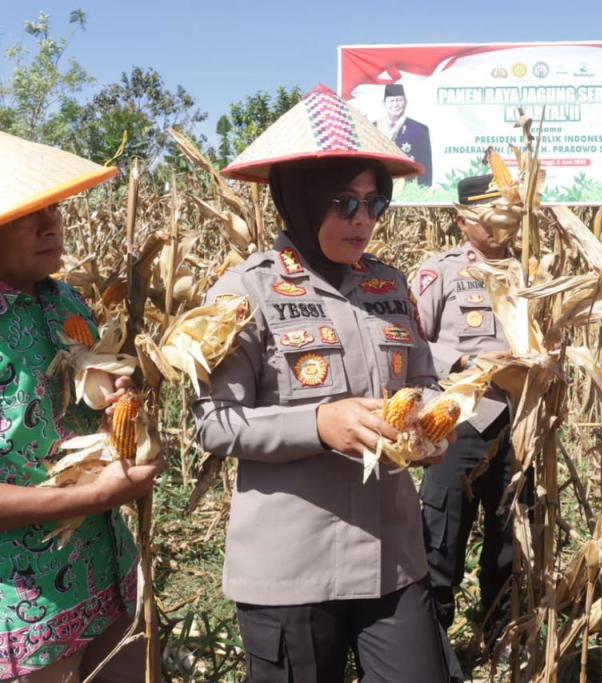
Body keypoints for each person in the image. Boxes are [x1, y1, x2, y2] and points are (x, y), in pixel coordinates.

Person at [194, 85, 460, 683]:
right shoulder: (244, 294)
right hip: (293, 568)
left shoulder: (390, 286)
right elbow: (213, 420)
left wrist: (435, 419)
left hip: (394, 559)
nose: (363, 219)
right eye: (345, 202)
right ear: (302, 199)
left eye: (375, 204)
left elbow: (421, 380)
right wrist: (319, 424)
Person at [0, 132, 162, 682]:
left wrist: (113, 403)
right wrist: (96, 493)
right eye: (29, 215)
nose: (53, 225)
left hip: (107, 572)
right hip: (23, 611)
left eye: (55, 210)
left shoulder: (64, 299)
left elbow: (80, 400)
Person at [414, 170, 519, 647]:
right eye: (489, 216)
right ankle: (432, 645)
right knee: (443, 534)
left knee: (511, 537)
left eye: (508, 214)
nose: (503, 225)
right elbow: (411, 340)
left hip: (521, 421)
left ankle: (500, 634)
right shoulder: (442, 272)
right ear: (462, 221)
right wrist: (464, 360)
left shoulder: (530, 271)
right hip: (458, 421)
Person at [377, 83, 433, 186]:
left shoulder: (420, 130)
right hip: (379, 187)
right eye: (391, 101)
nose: (395, 105)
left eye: (399, 100)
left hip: (407, 191)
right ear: (384, 103)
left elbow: (425, 167)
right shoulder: (374, 127)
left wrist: (424, 192)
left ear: (406, 102)